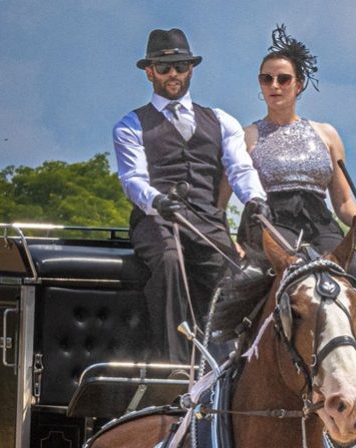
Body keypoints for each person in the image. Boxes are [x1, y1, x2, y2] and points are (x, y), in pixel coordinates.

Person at [113, 28, 268, 361]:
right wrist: (156, 200)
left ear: (191, 69)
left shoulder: (222, 120)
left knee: (233, 272)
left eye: (181, 66)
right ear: (149, 71)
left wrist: (255, 199)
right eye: (165, 67)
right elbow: (132, 179)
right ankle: (175, 364)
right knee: (169, 261)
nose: (174, 74)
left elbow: (240, 168)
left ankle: (229, 362)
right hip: (156, 219)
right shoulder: (130, 125)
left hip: (206, 219)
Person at [241, 26, 356, 288]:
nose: (274, 86)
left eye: (283, 79)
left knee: (351, 272)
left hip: (319, 221)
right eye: (266, 79)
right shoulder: (247, 136)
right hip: (271, 221)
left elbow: (342, 202)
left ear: (299, 84)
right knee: (292, 270)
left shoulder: (327, 134)